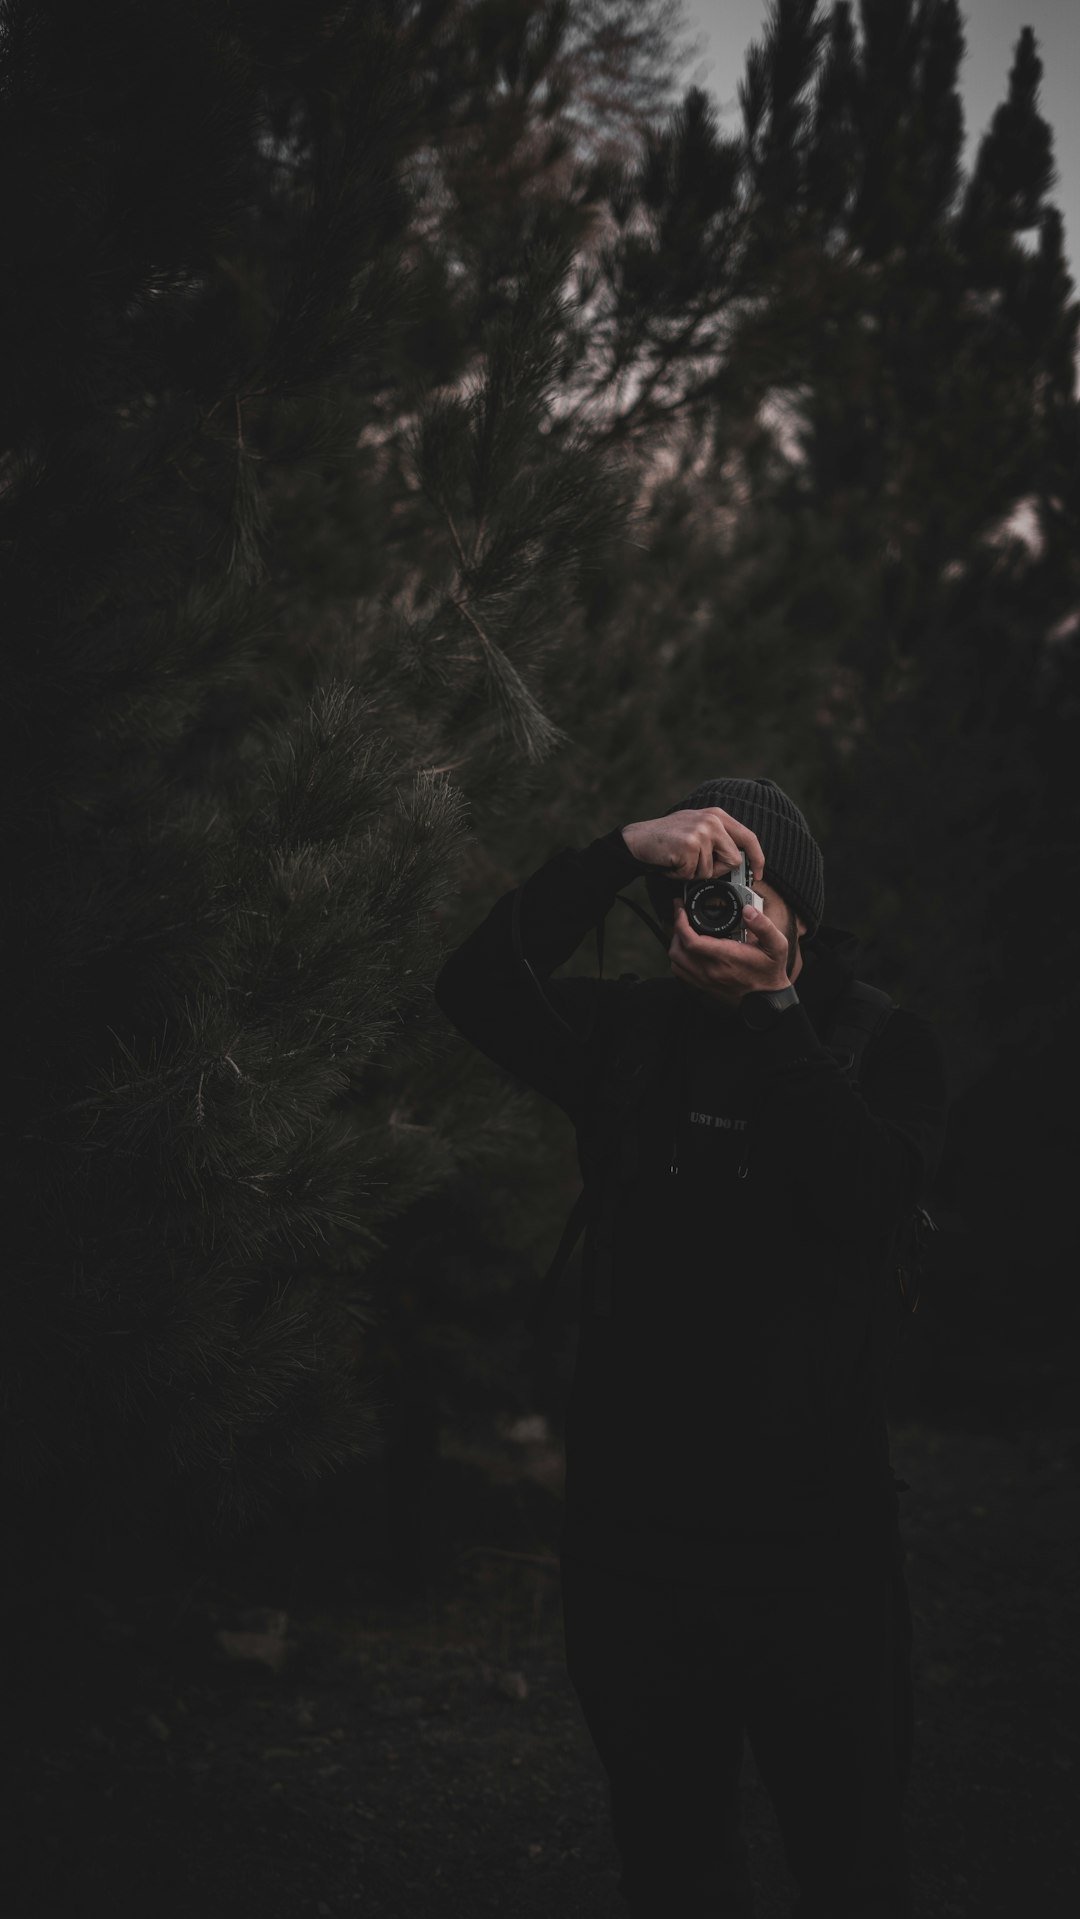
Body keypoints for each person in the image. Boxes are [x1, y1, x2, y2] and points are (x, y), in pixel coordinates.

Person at [433, 776, 949, 1919]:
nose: (705, 911)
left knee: (852, 1861)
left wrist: (773, 1018)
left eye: (737, 888)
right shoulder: (627, 1036)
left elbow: (872, 1203)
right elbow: (470, 986)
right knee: (671, 1865)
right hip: (635, 1548)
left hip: (819, 1553)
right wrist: (618, 849)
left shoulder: (881, 1045)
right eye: (688, 889)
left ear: (796, 914)